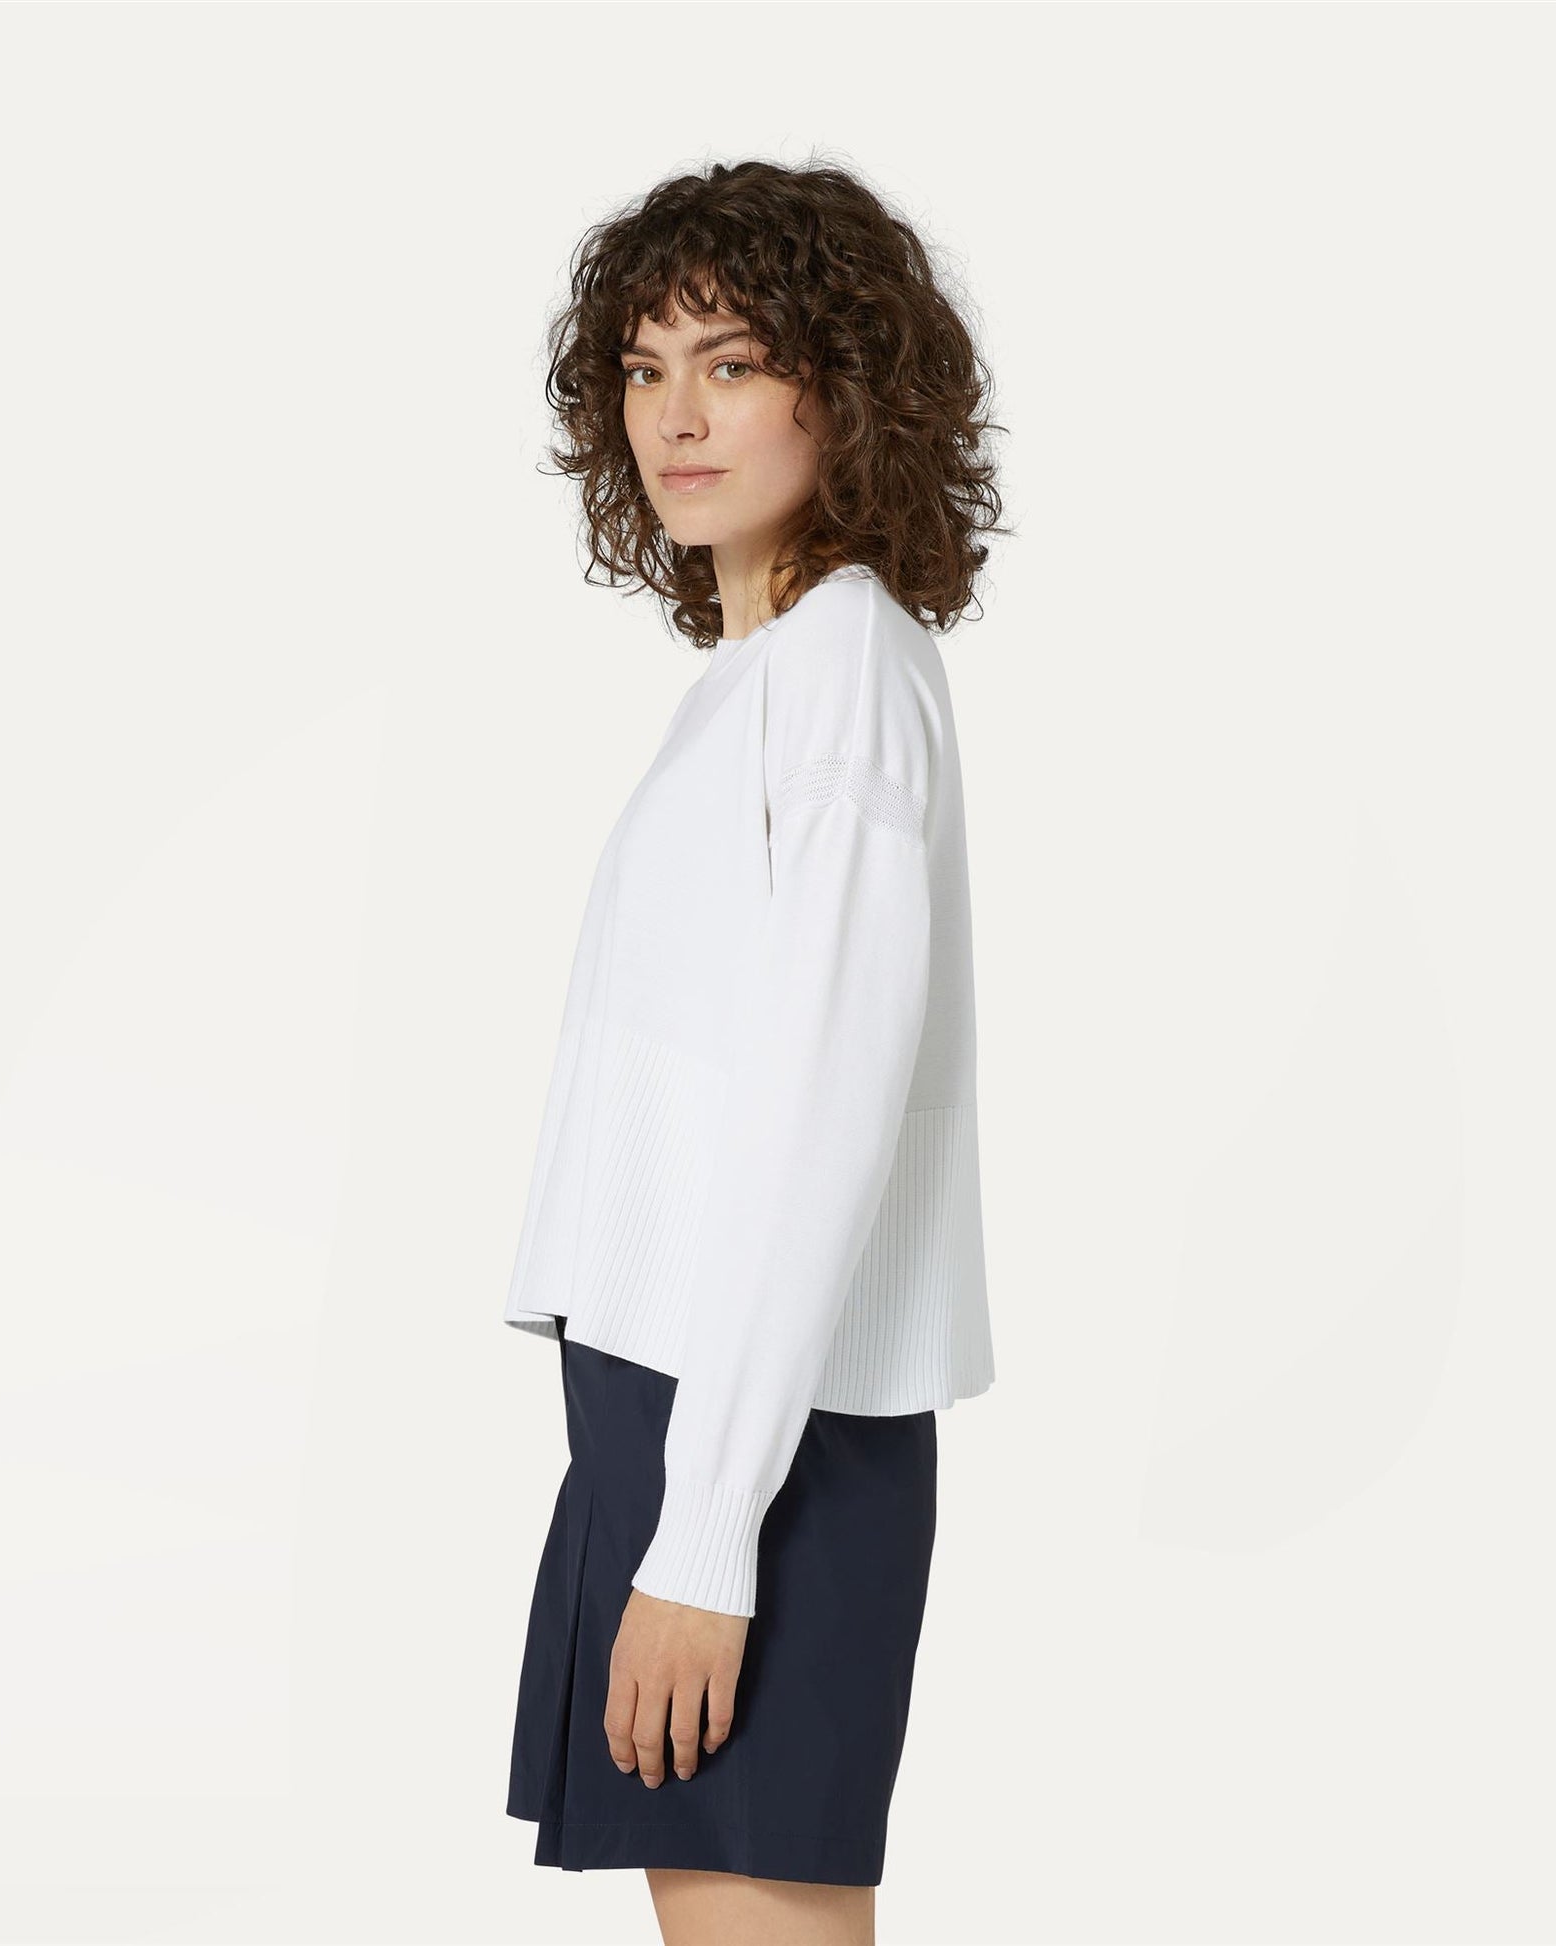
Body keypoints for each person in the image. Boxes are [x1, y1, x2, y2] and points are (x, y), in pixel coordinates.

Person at [501, 155, 1008, 1946]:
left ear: (842, 389)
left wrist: (709, 1528)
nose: (677, 415)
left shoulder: (844, 667)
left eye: (731, 362)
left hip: (755, 1430)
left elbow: (826, 1106)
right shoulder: (768, 678)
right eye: (645, 369)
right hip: (692, 1401)